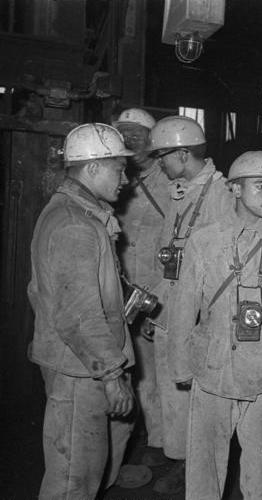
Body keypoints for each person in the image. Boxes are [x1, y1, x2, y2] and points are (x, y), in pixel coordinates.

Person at [168, 151, 262, 499]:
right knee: (204, 473)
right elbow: (183, 308)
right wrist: (181, 367)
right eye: (259, 185)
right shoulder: (204, 241)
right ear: (235, 189)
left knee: (260, 471)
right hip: (212, 370)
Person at [28, 123, 137, 499]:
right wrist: (110, 374)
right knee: (73, 480)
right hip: (81, 371)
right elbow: (78, 314)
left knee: (84, 470)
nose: (126, 178)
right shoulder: (75, 225)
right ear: (92, 168)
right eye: (119, 168)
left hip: (76, 363)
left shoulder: (77, 213)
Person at [145, 115, 234, 494]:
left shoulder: (222, 193)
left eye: (162, 155)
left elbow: (225, 266)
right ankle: (178, 458)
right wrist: (156, 309)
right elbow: (168, 258)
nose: (158, 163)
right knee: (173, 392)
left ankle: (193, 470)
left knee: (196, 398)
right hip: (173, 306)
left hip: (200, 316)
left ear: (183, 153)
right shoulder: (181, 189)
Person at [113, 108, 172, 467]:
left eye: (137, 133)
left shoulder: (169, 185)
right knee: (131, 378)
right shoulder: (116, 180)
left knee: (159, 378)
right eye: (124, 133)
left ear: (153, 140)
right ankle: (142, 441)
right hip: (122, 297)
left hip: (156, 297)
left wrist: (163, 301)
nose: (131, 139)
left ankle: (163, 450)